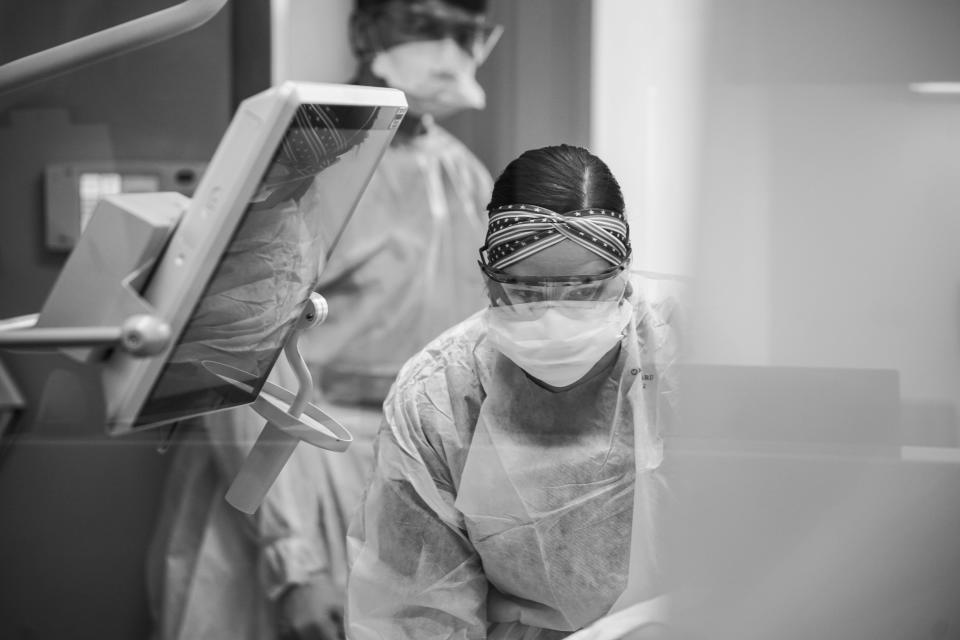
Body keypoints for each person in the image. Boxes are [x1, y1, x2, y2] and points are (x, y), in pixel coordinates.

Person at [146, 2, 502, 639]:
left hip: (410, 482)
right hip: (289, 471)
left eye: (467, 33)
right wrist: (295, 563)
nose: (450, 51)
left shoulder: (464, 178)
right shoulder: (309, 164)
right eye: (425, 26)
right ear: (365, 31)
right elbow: (228, 364)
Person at [346, 144, 679, 640]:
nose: (555, 315)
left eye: (586, 289)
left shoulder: (686, 365)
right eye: (527, 291)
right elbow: (412, 613)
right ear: (490, 283)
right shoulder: (440, 395)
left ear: (625, 279)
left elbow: (761, 559)